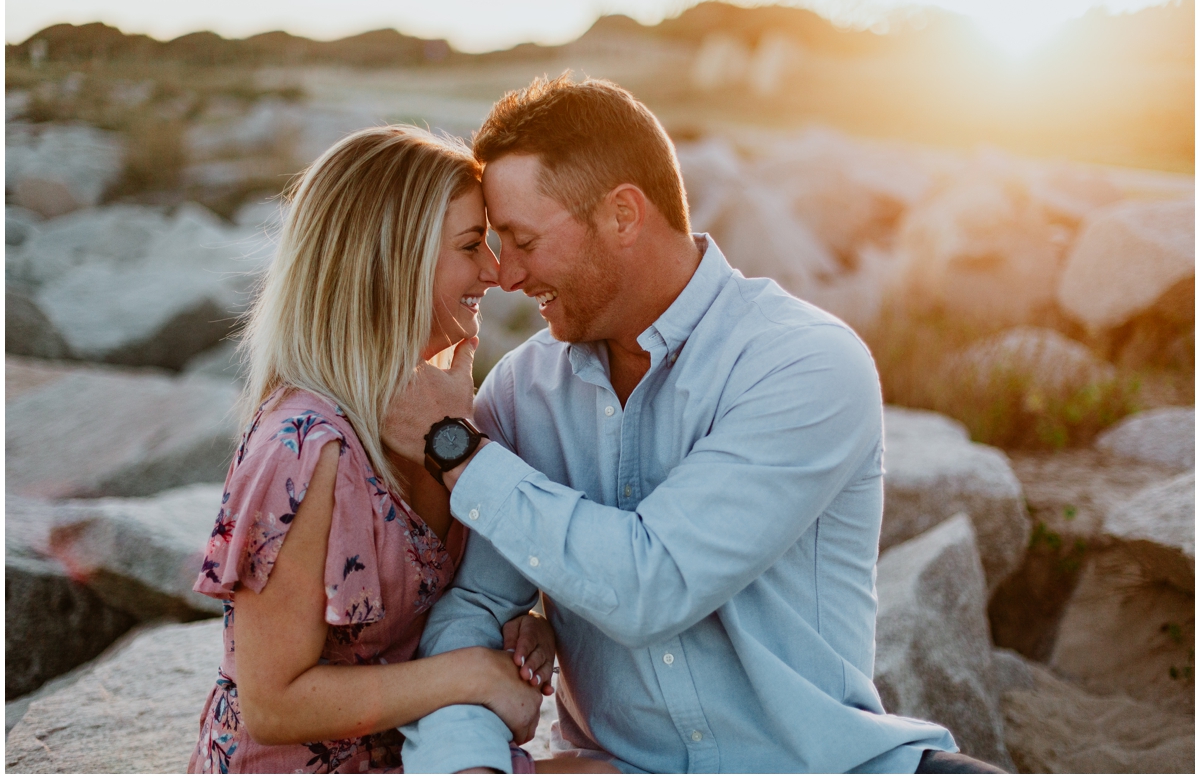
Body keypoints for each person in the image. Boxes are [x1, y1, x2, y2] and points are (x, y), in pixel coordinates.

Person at [383, 76, 1003, 773]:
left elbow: (654, 584)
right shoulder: (522, 392)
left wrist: (457, 452)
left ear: (623, 215)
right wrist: (471, 768)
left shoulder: (803, 363)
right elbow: (472, 606)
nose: (506, 276)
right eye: (495, 245)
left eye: (524, 241)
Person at [187, 126, 609, 774]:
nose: (496, 272)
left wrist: (518, 632)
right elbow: (271, 702)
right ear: (393, 261)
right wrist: (471, 673)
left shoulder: (446, 414)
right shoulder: (303, 445)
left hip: (422, 748)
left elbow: (446, 605)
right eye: (472, 246)